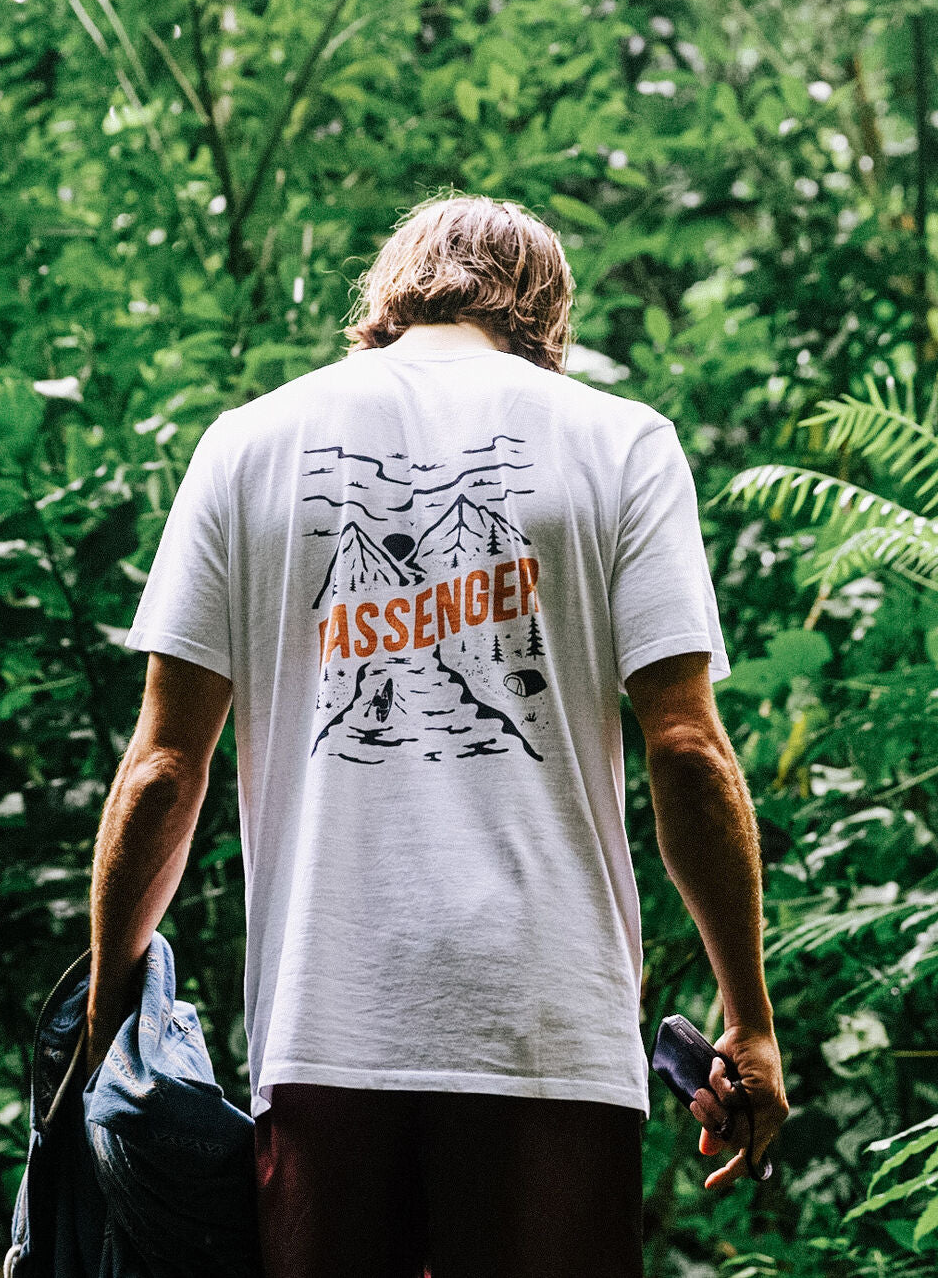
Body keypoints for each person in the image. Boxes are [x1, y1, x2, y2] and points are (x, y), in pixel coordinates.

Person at [86, 193, 789, 1277]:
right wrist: (748, 1015)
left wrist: (105, 1018)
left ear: (386, 301)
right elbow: (688, 752)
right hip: (550, 1031)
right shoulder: (621, 443)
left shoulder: (246, 445)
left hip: (324, 1030)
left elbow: (162, 769)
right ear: (547, 320)